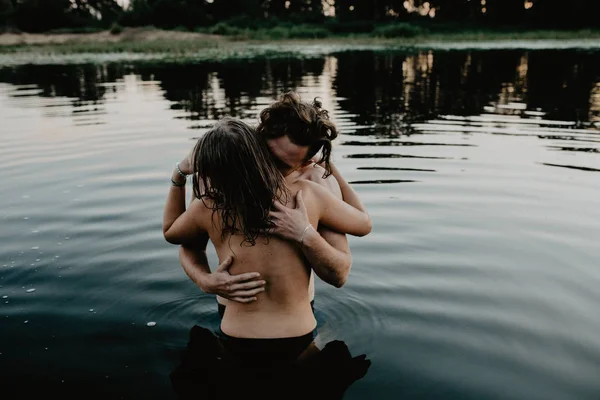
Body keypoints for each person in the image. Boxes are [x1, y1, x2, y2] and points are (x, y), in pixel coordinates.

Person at [163, 117, 371, 339]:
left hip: (243, 329)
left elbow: (171, 232)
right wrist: (204, 280)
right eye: (271, 156)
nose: (273, 169)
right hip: (281, 325)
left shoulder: (210, 203)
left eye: (286, 163)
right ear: (258, 147)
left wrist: (305, 233)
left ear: (307, 162)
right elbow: (189, 245)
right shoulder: (307, 193)